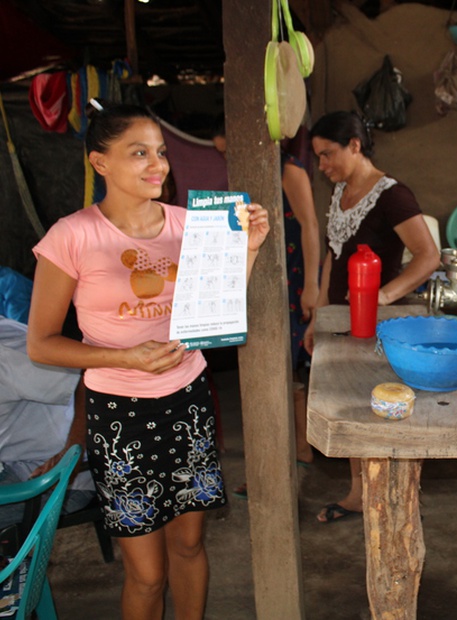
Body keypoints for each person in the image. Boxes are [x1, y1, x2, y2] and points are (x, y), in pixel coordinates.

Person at [26, 99, 269, 620]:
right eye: (139, 153)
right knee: (147, 573)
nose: (157, 164)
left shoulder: (193, 224)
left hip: (188, 402)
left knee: (188, 548)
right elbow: (41, 343)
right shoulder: (72, 237)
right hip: (120, 417)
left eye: (160, 152)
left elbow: (215, 314)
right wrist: (125, 356)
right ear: (100, 163)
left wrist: (247, 249)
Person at [306, 111, 440, 523]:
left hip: (376, 322)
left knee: (377, 407)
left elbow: (428, 255)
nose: (323, 166)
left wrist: (384, 295)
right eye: (318, 158)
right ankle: (358, 494)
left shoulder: (393, 195)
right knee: (350, 403)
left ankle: (391, 501)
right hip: (341, 318)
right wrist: (319, 316)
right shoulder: (342, 192)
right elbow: (334, 254)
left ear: (355, 146)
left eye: (328, 155)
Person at [212, 123, 321, 498]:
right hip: (257, 279)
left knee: (279, 367)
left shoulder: (289, 169)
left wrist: (312, 286)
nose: (227, 157)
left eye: (229, 149)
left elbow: (309, 227)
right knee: (271, 367)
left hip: (289, 280)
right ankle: (289, 457)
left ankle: (287, 460)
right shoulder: (242, 175)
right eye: (221, 153)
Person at [0, 316, 96, 528]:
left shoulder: (8, 349)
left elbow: (89, 376)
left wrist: (73, 449)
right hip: (13, 471)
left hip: (56, 480)